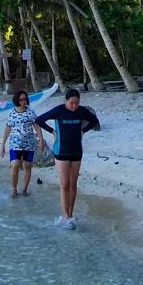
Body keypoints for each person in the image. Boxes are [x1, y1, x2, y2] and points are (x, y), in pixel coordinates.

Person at [35, 89, 100, 229]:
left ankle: (71, 213)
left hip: (76, 151)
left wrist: (84, 130)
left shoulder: (82, 111)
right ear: (66, 101)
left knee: (73, 184)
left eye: (77, 103)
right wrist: (52, 131)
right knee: (64, 184)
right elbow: (39, 120)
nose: (74, 106)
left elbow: (94, 121)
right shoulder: (58, 110)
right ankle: (65, 215)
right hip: (61, 151)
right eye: (71, 103)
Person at [0, 90, 44, 198]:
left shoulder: (30, 112)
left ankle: (24, 189)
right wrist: (3, 144)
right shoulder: (12, 113)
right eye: (21, 99)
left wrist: (41, 140)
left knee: (27, 166)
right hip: (15, 143)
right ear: (17, 100)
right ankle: (13, 189)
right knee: (14, 165)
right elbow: (7, 128)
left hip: (29, 143)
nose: (23, 101)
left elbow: (37, 126)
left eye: (25, 99)